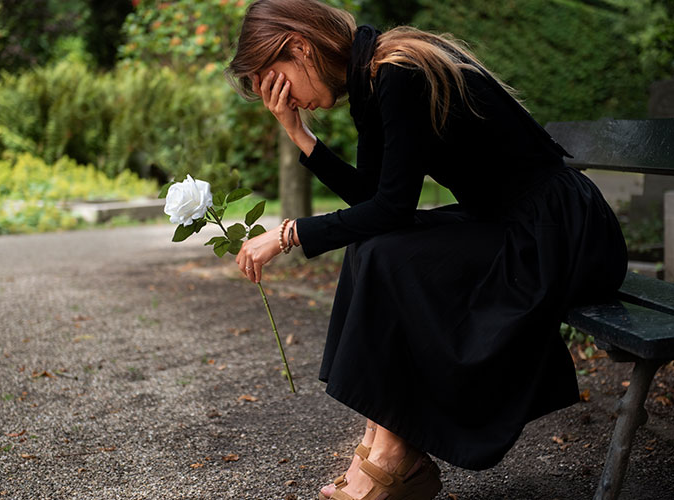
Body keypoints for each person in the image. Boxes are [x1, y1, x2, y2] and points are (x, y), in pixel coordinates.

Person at [227, 1, 628, 499]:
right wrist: (299, 135)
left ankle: (397, 455)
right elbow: (373, 202)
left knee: (387, 253)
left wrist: (289, 234)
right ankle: (384, 445)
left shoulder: (401, 72)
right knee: (374, 247)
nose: (281, 96)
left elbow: (391, 208)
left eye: (277, 80)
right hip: (511, 221)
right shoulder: (374, 79)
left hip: (560, 231)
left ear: (301, 47)